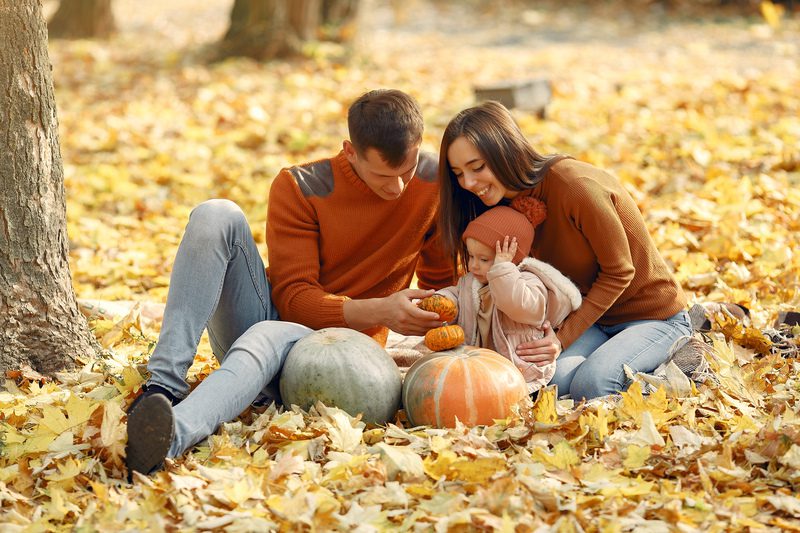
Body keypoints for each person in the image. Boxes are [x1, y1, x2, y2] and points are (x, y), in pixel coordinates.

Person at [125, 89, 457, 477]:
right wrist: (382, 310)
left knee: (265, 334)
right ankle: (162, 386)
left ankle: (168, 438)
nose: (398, 188)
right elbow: (295, 298)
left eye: (408, 170)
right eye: (384, 176)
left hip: (345, 360)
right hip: (275, 321)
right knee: (216, 214)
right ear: (350, 152)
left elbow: (442, 282)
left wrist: (436, 313)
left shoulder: (435, 182)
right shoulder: (300, 187)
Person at [437, 101, 692, 401]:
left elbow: (620, 271)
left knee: (594, 385)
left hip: (653, 316)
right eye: (458, 173)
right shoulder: (496, 203)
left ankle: (684, 367)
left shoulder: (575, 187)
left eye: (477, 167)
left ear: (506, 151)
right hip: (595, 320)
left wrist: (561, 339)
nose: (468, 182)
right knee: (544, 383)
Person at [431, 205, 581, 393]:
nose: (474, 266)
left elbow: (518, 305)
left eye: (484, 259)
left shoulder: (528, 282)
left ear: (511, 260)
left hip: (519, 369)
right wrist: (444, 300)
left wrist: (502, 271)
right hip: (482, 365)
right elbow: (458, 295)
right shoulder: (472, 282)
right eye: (471, 256)